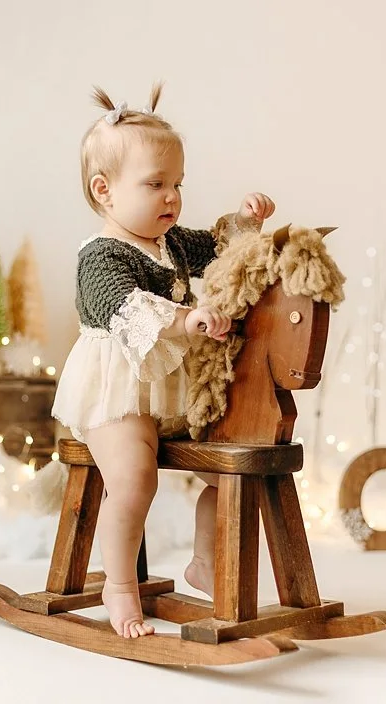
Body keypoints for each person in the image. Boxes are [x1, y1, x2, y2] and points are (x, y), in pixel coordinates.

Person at [50, 82, 276, 638]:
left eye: (177, 184)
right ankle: (120, 585)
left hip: (167, 390)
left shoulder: (169, 241)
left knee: (226, 467)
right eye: (155, 184)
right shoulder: (100, 256)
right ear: (105, 191)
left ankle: (203, 560)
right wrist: (187, 319)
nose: (172, 198)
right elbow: (123, 308)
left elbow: (219, 247)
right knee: (134, 480)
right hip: (117, 391)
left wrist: (246, 224)